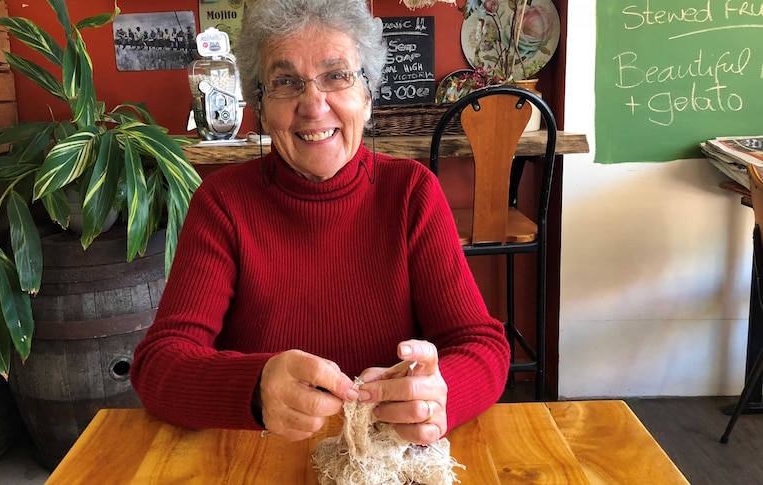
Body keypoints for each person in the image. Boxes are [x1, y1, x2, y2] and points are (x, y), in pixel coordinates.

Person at [130, 0, 509, 446]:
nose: (313, 105)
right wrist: (254, 388)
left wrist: (439, 395)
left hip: (387, 458)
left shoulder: (410, 192)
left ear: (367, 98)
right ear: (261, 107)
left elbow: (482, 346)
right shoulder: (223, 203)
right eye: (286, 82)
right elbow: (158, 365)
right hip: (261, 457)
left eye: (337, 76)